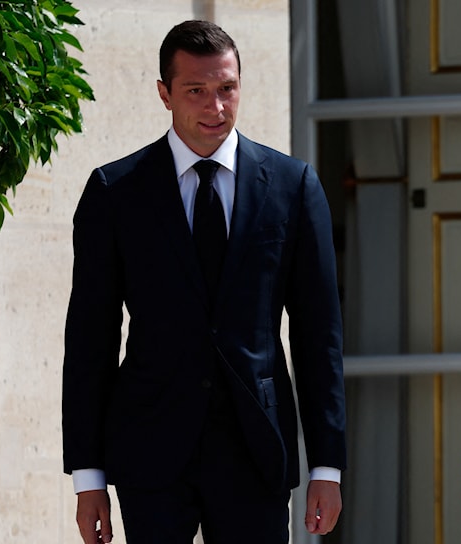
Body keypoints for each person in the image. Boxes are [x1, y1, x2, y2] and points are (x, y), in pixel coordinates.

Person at [62, 20, 346, 544]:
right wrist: (88, 475)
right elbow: (89, 341)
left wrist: (326, 467)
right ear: (164, 94)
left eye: (227, 89)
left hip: (256, 447)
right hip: (149, 449)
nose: (215, 107)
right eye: (196, 91)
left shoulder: (293, 186)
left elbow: (318, 337)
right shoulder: (114, 192)